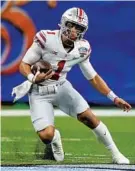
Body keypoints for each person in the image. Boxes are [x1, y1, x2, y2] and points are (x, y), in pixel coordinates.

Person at [19, 7, 131, 163]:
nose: (73, 30)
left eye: (78, 28)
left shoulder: (82, 48)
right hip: (39, 91)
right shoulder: (45, 39)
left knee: (90, 118)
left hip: (61, 86)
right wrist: (32, 77)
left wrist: (114, 98)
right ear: (63, 23)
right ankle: (55, 138)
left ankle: (116, 154)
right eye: (71, 25)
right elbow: (24, 64)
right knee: (46, 136)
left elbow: (93, 77)